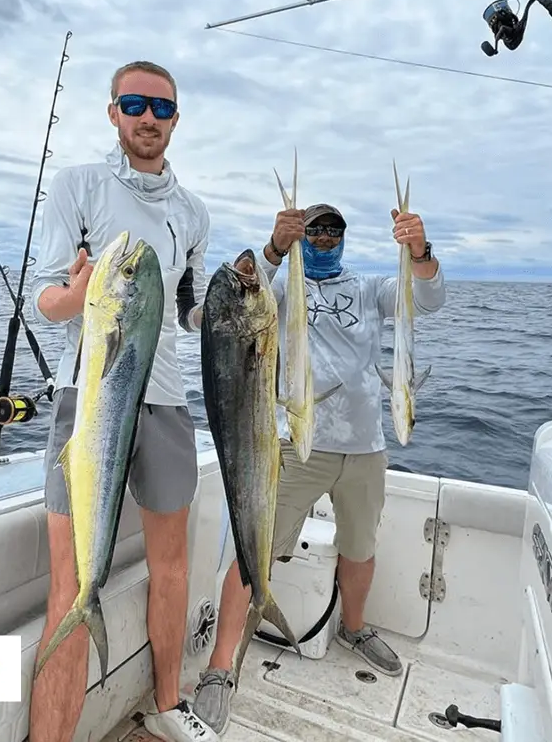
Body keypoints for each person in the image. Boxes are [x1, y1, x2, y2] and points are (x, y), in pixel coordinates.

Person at [192, 199, 446, 736]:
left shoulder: (370, 288)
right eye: (314, 230)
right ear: (303, 237)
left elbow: (427, 300)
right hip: (296, 444)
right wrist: (275, 248)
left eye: (333, 230)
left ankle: (353, 628)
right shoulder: (281, 290)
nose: (324, 237)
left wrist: (420, 252)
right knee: (252, 546)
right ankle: (219, 669)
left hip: (365, 448)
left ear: (344, 237)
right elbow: (225, 303)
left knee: (360, 548)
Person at [29, 60, 219, 742]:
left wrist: (233, 312)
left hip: (166, 404)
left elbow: (192, 310)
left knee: (173, 566)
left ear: (175, 119)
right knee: (70, 584)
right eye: (134, 103)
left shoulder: (194, 213)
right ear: (113, 112)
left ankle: (168, 704)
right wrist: (80, 295)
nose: (147, 117)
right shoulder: (77, 186)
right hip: (89, 400)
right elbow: (48, 300)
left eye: (161, 108)